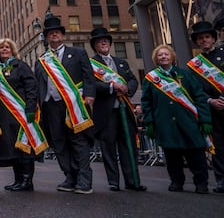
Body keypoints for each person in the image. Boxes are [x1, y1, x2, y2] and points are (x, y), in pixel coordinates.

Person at [34, 15, 97, 195]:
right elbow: (38, 83)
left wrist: (90, 95)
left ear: (62, 35)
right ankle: (70, 176)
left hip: (73, 104)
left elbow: (89, 76)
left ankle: (84, 180)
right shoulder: (41, 60)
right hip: (50, 106)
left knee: (79, 141)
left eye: (57, 32)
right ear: (46, 38)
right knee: (59, 143)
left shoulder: (78, 53)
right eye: (50, 33)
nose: (54, 35)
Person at [142, 44, 211, 194]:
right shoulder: (151, 78)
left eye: (166, 54)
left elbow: (199, 97)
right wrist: (149, 122)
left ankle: (201, 183)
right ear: (156, 59)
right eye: (160, 55)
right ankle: (176, 181)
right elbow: (146, 102)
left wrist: (205, 119)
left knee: (196, 154)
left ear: (172, 57)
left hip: (188, 121)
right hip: (165, 123)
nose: (163, 57)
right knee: (172, 156)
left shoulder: (185, 75)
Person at [89, 27, 146, 192]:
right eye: (100, 41)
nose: (103, 42)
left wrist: (127, 88)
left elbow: (133, 80)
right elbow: (92, 84)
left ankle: (133, 181)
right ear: (95, 45)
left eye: (106, 40)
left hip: (125, 111)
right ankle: (113, 181)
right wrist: (112, 87)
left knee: (128, 146)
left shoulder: (122, 63)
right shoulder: (91, 64)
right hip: (106, 113)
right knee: (108, 148)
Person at [0, 38, 46, 192]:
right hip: (5, 115)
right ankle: (18, 180)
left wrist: (30, 108)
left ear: (12, 50)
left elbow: (31, 87)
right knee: (13, 147)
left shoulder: (20, 65)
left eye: (7, 47)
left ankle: (27, 180)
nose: (4, 50)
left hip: (21, 112)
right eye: (1, 47)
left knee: (25, 146)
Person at [186, 21, 224, 193]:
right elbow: (195, 90)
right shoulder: (194, 65)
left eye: (207, 37)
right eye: (200, 38)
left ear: (213, 38)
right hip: (212, 110)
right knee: (218, 147)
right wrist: (211, 101)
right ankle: (221, 179)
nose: (204, 40)